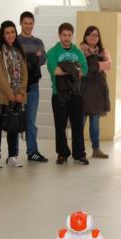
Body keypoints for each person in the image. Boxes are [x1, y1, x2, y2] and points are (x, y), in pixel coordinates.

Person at [46, 22, 88, 165]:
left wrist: (65, 68)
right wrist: (73, 69)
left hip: (76, 94)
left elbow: (84, 71)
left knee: (77, 125)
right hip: (59, 94)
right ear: (59, 35)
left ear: (72, 35)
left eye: (69, 35)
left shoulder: (78, 52)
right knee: (60, 126)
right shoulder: (52, 52)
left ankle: (79, 154)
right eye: (64, 35)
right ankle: (62, 154)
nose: (66, 38)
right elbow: (54, 70)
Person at [0, 20, 28, 167]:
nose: (10, 35)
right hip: (1, 94)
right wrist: (10, 93)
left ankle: (12, 156)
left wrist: (21, 92)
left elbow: (25, 74)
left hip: (18, 95)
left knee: (14, 124)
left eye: (12, 32)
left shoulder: (19, 50)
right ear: (2, 34)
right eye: (7, 33)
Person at [19, 11, 49, 162]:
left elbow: (43, 58)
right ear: (21, 24)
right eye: (26, 23)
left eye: (31, 23)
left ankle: (32, 151)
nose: (28, 26)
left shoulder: (38, 41)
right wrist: (33, 56)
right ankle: (13, 153)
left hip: (33, 86)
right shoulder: (16, 40)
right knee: (15, 119)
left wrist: (34, 57)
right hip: (17, 87)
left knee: (31, 120)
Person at [79, 25, 112, 159]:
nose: (93, 38)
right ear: (85, 37)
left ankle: (96, 149)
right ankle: (78, 149)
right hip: (83, 90)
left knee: (95, 122)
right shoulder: (79, 51)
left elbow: (109, 65)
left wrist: (92, 66)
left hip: (98, 90)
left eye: (96, 35)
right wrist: (97, 66)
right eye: (90, 35)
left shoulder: (103, 51)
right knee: (80, 122)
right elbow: (81, 70)